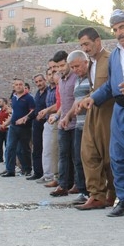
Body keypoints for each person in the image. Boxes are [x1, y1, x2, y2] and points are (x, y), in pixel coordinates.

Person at [80, 10, 124, 217]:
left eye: (122, 27)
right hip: (120, 109)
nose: (119, 32)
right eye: (115, 29)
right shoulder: (115, 55)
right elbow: (110, 84)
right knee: (118, 156)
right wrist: (95, 97)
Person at [74, 27, 117, 211]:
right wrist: (84, 100)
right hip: (92, 112)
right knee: (88, 152)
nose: (84, 48)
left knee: (108, 156)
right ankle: (96, 195)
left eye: (87, 44)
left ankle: (112, 194)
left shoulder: (110, 59)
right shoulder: (90, 63)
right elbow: (93, 89)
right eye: (82, 45)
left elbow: (111, 85)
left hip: (109, 112)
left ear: (98, 41)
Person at [61, 50, 91, 204]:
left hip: (91, 124)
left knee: (90, 159)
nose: (75, 70)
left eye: (77, 66)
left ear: (86, 62)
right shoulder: (78, 80)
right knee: (78, 158)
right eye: (72, 67)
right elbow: (76, 101)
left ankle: (95, 191)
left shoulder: (92, 78)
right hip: (79, 124)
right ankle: (83, 191)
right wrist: (68, 116)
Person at [49, 50, 77, 197]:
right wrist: (57, 116)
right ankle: (63, 185)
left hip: (76, 122)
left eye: (62, 65)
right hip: (63, 123)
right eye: (57, 67)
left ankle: (78, 185)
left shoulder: (76, 77)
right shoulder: (61, 80)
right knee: (63, 155)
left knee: (76, 156)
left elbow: (77, 100)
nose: (60, 69)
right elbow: (63, 104)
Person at [0, 79, 35, 177]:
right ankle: (10, 170)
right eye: (16, 85)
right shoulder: (14, 98)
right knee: (10, 147)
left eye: (21, 84)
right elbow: (14, 112)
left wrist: (25, 118)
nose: (19, 86)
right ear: (13, 86)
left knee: (23, 149)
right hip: (13, 127)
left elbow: (33, 110)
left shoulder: (29, 98)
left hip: (25, 128)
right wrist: (6, 123)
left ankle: (27, 169)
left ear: (24, 86)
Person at [36, 67, 59, 184]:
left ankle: (53, 175)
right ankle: (47, 174)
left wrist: (47, 110)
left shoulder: (58, 88)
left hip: (56, 119)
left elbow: (59, 104)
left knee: (53, 150)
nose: (51, 76)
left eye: (53, 73)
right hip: (48, 121)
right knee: (46, 150)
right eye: (49, 74)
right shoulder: (49, 90)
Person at [27, 74, 49, 181]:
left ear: (45, 80)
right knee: (36, 148)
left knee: (46, 149)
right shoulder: (37, 94)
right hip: (36, 124)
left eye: (40, 81)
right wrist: (26, 118)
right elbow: (35, 109)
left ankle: (47, 173)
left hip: (46, 122)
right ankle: (37, 172)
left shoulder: (49, 91)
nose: (39, 83)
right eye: (36, 82)